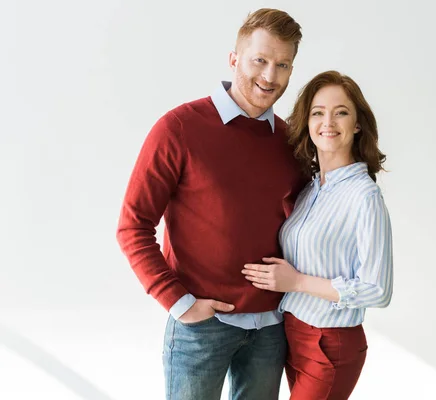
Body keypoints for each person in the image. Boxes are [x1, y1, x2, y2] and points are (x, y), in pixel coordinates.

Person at [116, 9, 306, 400]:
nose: (270, 76)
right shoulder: (179, 128)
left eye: (283, 64)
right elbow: (132, 225)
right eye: (260, 60)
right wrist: (178, 302)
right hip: (201, 325)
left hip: (271, 328)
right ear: (234, 59)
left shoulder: (290, 141)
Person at [242, 70, 394, 400]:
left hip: (331, 341)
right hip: (293, 334)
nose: (328, 121)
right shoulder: (311, 189)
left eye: (341, 112)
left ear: (357, 124)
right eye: (318, 112)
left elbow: (378, 290)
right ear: (307, 123)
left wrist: (296, 282)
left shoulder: (364, 197)